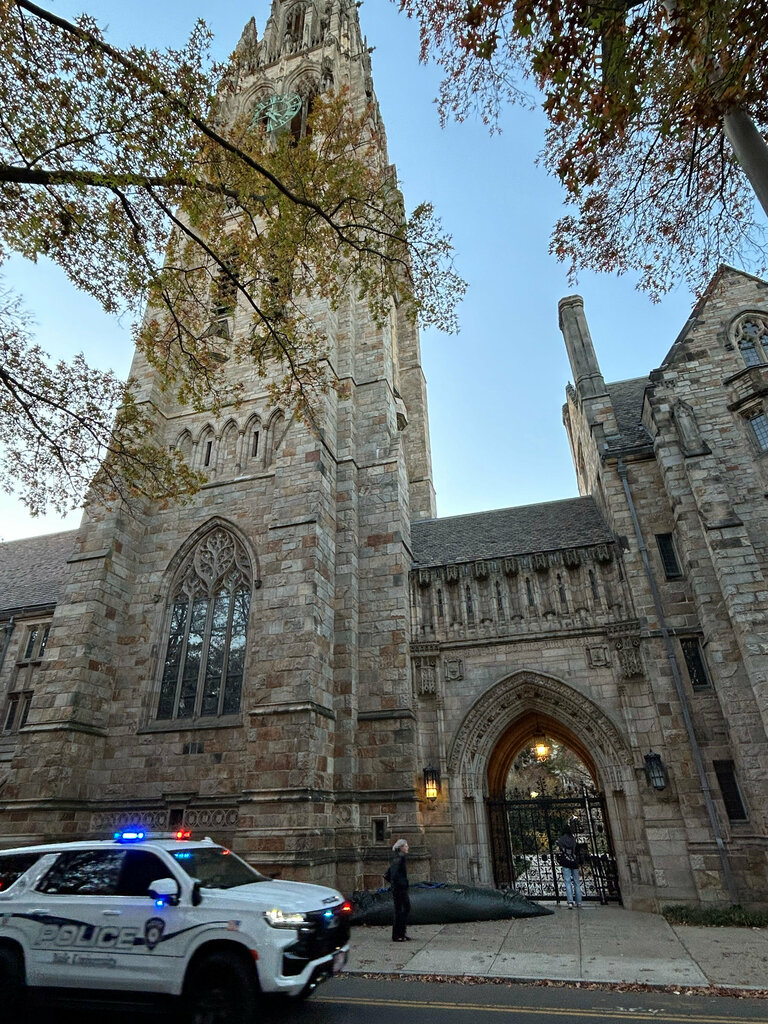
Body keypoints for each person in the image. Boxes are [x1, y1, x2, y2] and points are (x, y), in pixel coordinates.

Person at [387, 838, 411, 941]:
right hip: (399, 888)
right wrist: (402, 884)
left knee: (402, 909)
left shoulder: (398, 857)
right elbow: (394, 874)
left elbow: (390, 873)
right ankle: (398, 935)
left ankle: (401, 933)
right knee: (402, 909)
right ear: (401, 848)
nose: (407, 847)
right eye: (406, 846)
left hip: (398, 888)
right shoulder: (400, 858)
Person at [555, 819, 583, 908]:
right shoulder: (573, 839)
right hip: (574, 862)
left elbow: (559, 848)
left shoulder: (561, 840)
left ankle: (570, 902)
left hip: (566, 861)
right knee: (576, 882)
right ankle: (579, 902)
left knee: (567, 882)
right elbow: (576, 850)